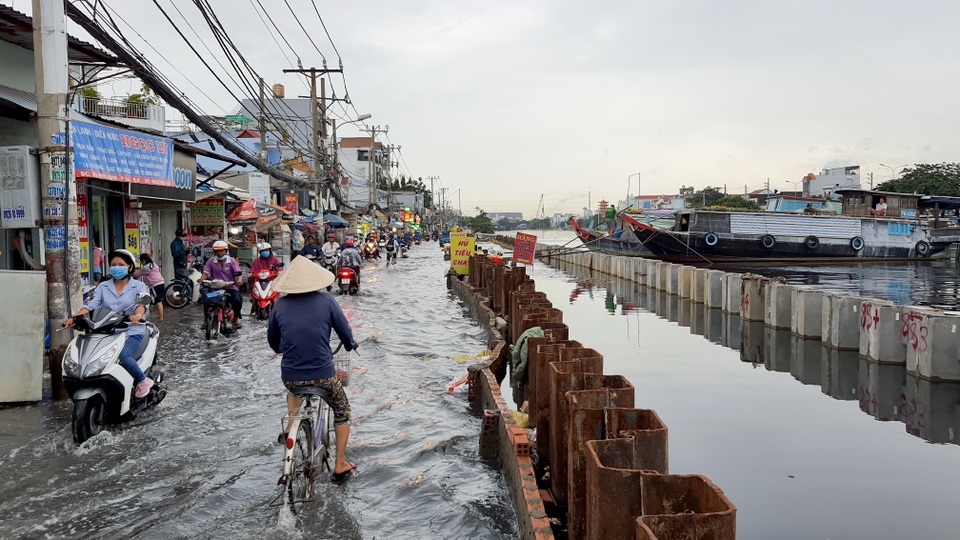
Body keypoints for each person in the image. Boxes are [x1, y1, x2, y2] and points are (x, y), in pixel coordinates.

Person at [267, 256, 359, 481]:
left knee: (294, 390)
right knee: (342, 410)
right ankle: (340, 464)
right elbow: (344, 331)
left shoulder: (280, 304)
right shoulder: (327, 301)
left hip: (290, 376)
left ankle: (291, 426)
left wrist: (284, 348)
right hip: (323, 376)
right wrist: (350, 344)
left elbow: (273, 341)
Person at [64, 249, 154, 398]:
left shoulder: (139, 286)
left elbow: (142, 304)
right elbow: (90, 305)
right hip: (106, 331)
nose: (116, 267)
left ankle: (143, 381)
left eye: (121, 264)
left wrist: (137, 315)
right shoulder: (103, 286)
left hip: (132, 331)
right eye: (113, 264)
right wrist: (74, 318)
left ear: (130, 267)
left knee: (123, 356)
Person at [200, 240, 244, 328]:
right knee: (206, 300)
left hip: (230, 287)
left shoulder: (232, 261)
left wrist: (239, 281)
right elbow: (205, 274)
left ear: (226, 251)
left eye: (221, 251)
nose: (219, 253)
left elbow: (238, 273)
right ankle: (206, 320)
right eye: (217, 251)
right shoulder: (211, 261)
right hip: (215, 288)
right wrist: (201, 280)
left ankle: (236, 318)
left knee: (237, 301)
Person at [135, 253, 165, 321]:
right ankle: (160, 315)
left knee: (158, 301)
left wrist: (132, 274)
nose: (142, 263)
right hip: (161, 283)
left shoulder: (146, 268)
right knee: (159, 300)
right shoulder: (154, 264)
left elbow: (138, 273)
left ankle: (161, 317)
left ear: (144, 260)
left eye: (141, 262)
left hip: (155, 285)